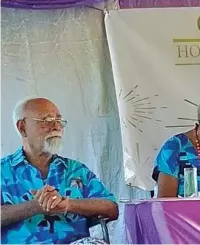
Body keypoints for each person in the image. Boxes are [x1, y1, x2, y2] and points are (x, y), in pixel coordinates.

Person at [1, 97, 118, 244]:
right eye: (47, 120)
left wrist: (67, 204)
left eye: (59, 120)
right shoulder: (3, 171)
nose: (56, 126)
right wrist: (35, 207)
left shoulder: (76, 170)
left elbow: (111, 208)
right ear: (22, 127)